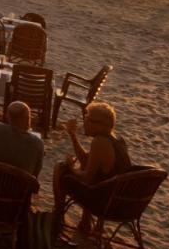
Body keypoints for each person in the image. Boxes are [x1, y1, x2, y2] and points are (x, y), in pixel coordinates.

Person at [52, 102, 132, 237]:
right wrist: (72, 135)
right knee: (86, 168)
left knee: (60, 169)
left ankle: (58, 215)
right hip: (118, 198)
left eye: (88, 120)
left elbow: (87, 177)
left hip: (102, 202)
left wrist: (71, 169)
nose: (84, 123)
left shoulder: (100, 142)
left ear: (100, 125)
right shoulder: (118, 139)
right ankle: (88, 223)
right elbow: (86, 161)